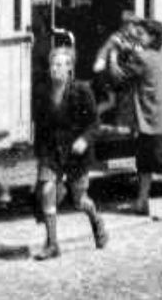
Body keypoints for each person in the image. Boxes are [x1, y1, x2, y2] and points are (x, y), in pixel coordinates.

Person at [112, 18, 162, 222]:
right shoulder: (160, 55)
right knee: (145, 162)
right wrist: (130, 48)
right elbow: (138, 55)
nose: (138, 36)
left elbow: (119, 76)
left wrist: (114, 54)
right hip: (158, 119)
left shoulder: (143, 58)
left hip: (153, 121)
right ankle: (142, 201)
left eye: (142, 34)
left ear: (153, 37)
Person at [31, 44, 107, 260]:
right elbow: (41, 125)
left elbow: (95, 124)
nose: (55, 69)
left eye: (59, 65)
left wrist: (84, 139)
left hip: (77, 155)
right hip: (52, 152)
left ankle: (96, 221)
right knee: (47, 190)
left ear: (69, 69)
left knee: (79, 200)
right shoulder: (43, 91)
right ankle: (52, 244)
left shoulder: (82, 90)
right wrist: (40, 155)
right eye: (52, 65)